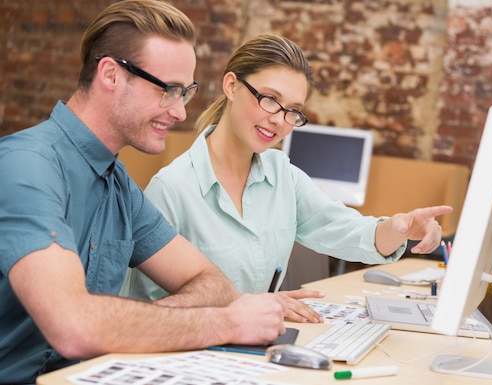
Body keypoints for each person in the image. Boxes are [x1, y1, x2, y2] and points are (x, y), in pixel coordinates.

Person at [0, 0, 285, 385]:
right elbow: (72, 327)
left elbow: (211, 282)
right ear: (111, 75)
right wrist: (225, 323)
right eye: (168, 90)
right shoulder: (26, 166)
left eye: (185, 92)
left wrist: (140, 324)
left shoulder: (118, 185)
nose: (181, 112)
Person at [123, 34, 453, 323]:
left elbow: (346, 230)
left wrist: (400, 228)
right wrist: (247, 307)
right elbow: (149, 312)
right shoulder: (171, 188)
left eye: (292, 110)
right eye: (269, 99)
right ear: (232, 86)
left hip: (256, 348)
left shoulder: (282, 175)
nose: (279, 120)